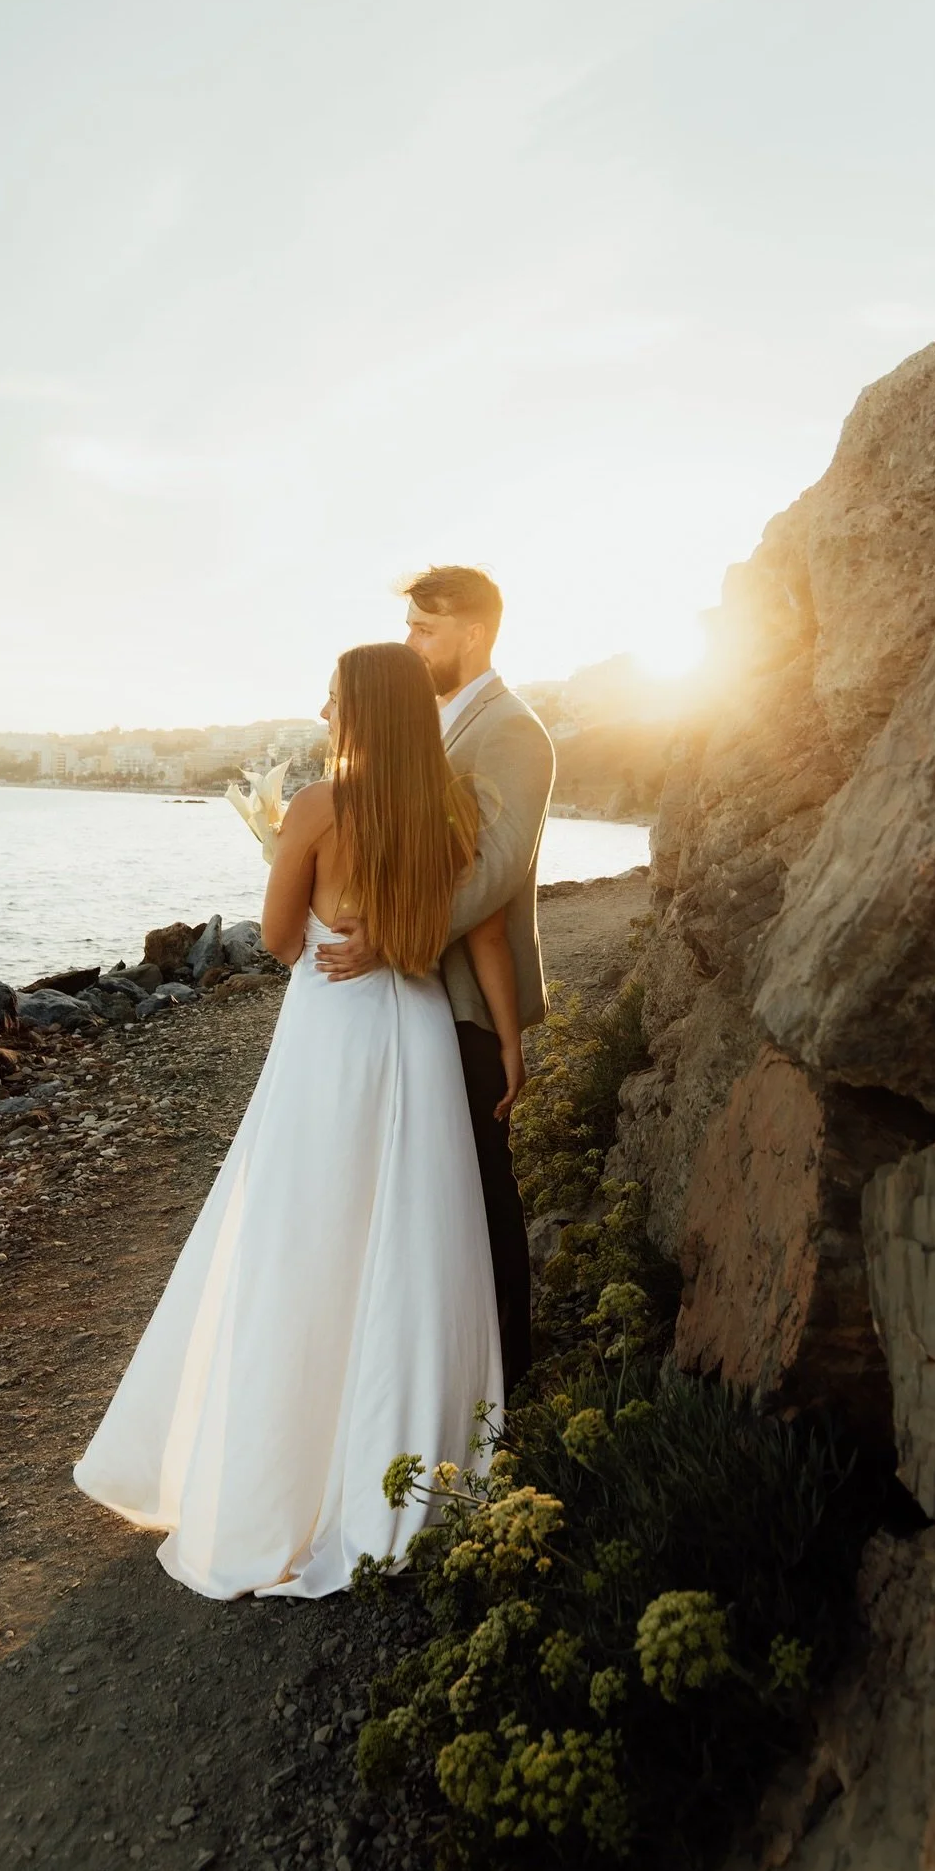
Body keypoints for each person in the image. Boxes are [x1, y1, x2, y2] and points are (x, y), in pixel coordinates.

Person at [73, 642, 517, 1600]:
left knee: (306, 1239)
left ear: (362, 709)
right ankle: (416, 1466)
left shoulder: (322, 807)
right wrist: (512, 1040)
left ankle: (285, 1480)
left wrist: (306, 889)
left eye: (333, 694)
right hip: (423, 1039)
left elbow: (279, 941)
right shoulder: (452, 810)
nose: (322, 706)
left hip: (334, 1041)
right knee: (412, 1239)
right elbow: (472, 923)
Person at [316, 567, 555, 1395]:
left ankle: (508, 1383)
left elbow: (492, 874)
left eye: (425, 630)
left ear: (474, 634)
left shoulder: (514, 731)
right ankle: (431, 1375)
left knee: (483, 1193)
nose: (413, 645)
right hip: (418, 1002)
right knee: (426, 1194)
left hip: (462, 1007)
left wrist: (387, 935)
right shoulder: (437, 725)